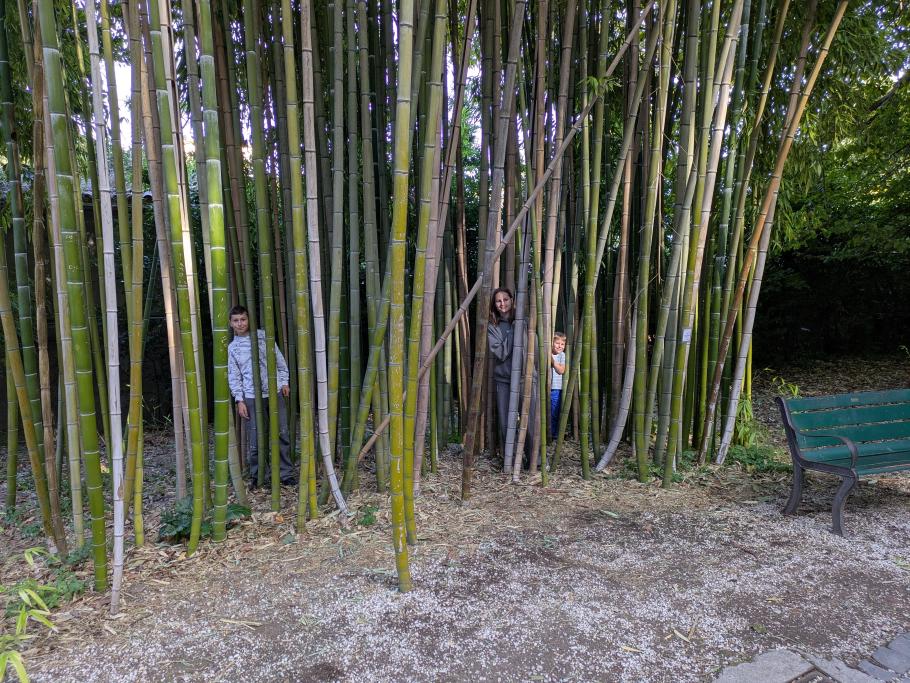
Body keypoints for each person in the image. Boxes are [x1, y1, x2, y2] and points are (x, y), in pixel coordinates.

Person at [227, 305, 296, 487]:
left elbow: (279, 361)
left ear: (248, 320)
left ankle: (285, 474)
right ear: (231, 323)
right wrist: (239, 399)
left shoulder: (263, 337)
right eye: (236, 320)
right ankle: (259, 476)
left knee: (282, 433)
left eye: (243, 319)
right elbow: (234, 376)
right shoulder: (232, 348)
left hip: (274, 391)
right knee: (256, 439)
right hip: (250, 396)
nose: (240, 323)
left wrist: (284, 382)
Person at [487, 287, 538, 465]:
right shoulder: (493, 327)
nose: (503, 304)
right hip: (504, 381)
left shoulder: (524, 322)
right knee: (506, 423)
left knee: (530, 422)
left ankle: (534, 460)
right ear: (494, 305)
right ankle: (510, 460)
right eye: (498, 301)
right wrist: (513, 332)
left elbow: (534, 349)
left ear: (512, 300)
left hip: (527, 378)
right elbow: (500, 352)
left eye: (506, 299)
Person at [550, 332, 566, 439]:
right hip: (544, 387)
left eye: (562, 344)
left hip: (556, 389)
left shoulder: (562, 355)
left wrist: (552, 361)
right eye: (557, 343)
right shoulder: (546, 352)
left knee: (554, 412)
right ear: (551, 343)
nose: (560, 346)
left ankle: (553, 433)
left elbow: (561, 370)